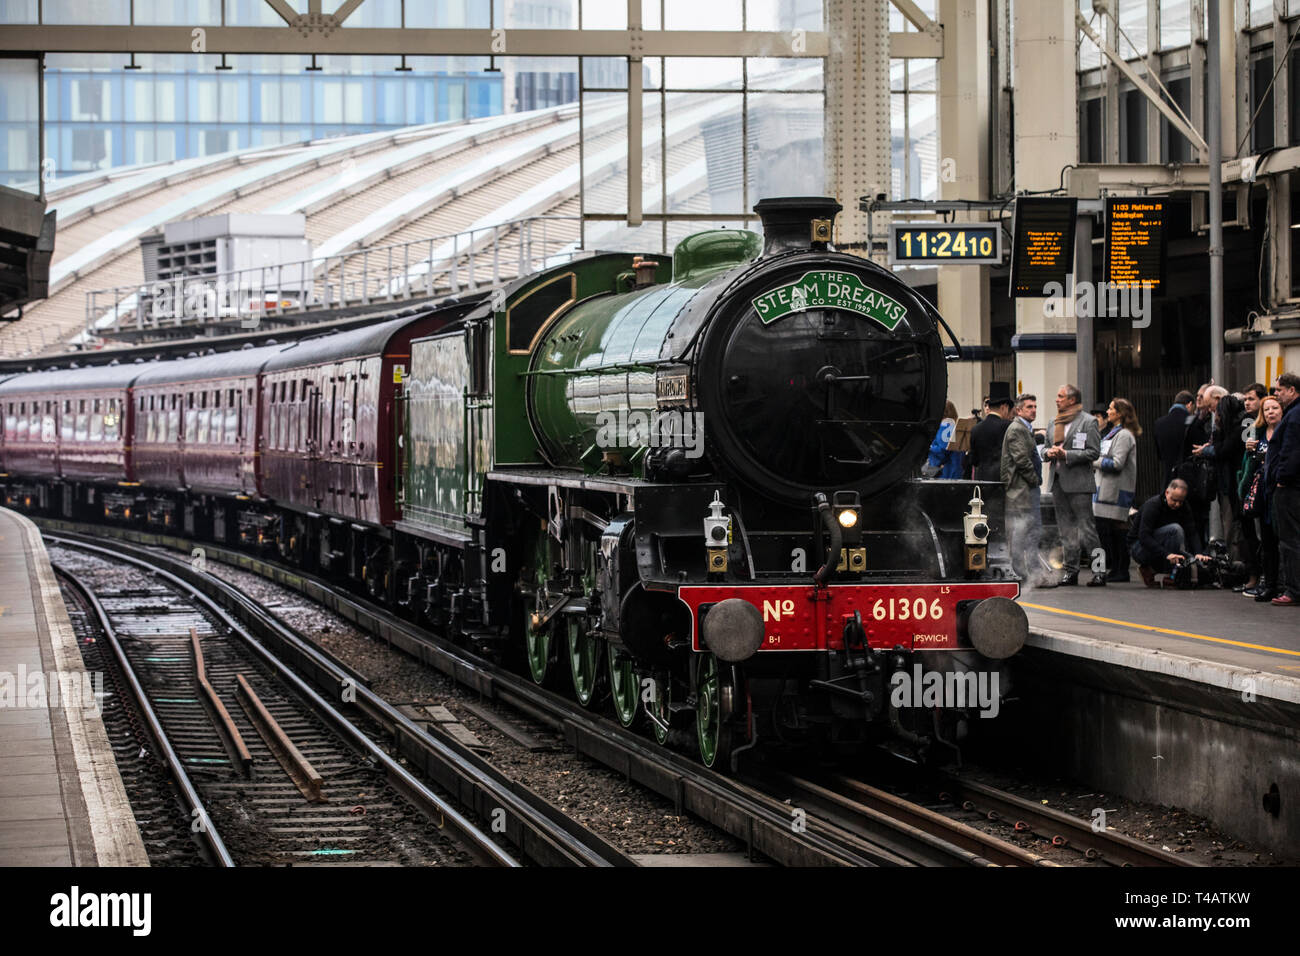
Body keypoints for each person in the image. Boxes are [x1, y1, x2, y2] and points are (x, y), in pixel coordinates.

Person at [1043, 384, 1102, 586]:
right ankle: (1071, 571)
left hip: (1079, 483)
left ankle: (1099, 570)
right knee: (1065, 530)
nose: (1057, 400)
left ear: (1072, 400)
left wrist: (1067, 455)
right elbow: (1044, 446)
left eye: (1061, 397)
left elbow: (1094, 452)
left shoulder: (1088, 421)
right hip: (1058, 481)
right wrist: (1047, 453)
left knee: (1087, 529)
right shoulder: (1053, 421)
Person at [1128, 479, 1212, 587]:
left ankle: (1150, 570)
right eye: (1174, 500)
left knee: (1187, 553)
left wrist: (1198, 553)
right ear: (1167, 493)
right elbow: (1144, 537)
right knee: (1175, 530)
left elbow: (1192, 532)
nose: (1177, 504)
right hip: (1138, 547)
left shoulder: (1185, 507)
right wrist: (1167, 554)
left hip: (1158, 543)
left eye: (1180, 501)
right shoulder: (1153, 505)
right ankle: (1171, 575)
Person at [1092, 397, 1140, 584]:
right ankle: (1114, 568)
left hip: (1113, 493)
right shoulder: (1113, 433)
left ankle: (1120, 569)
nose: (1108, 412)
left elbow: (1117, 463)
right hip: (1105, 491)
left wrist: (1094, 461)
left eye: (1111, 409)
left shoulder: (1124, 436)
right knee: (1109, 533)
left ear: (1119, 413)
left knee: (1115, 533)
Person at [1242, 395, 1284, 601]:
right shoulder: (1257, 433)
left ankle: (1285, 585)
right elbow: (1249, 466)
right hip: (1262, 493)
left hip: (1281, 491)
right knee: (1266, 541)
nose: (1270, 412)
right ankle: (1270, 585)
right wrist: (1249, 451)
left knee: (1283, 541)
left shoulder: (1287, 431)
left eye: (1274, 408)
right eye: (1266, 409)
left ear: (1282, 410)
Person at [1001, 393, 1045, 585]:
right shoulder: (1017, 429)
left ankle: (1029, 571)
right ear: (1018, 410)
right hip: (1022, 490)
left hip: (1025, 489)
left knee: (1028, 530)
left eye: (1035, 406)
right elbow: (1021, 460)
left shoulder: (1023, 428)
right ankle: (1023, 571)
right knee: (1024, 531)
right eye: (1029, 407)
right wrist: (1034, 480)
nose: (1034, 410)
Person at [1266, 372, 1300, 606]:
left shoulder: (1294, 416)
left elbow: (1290, 450)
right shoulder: (1294, 414)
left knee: (1290, 540)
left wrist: (1281, 478)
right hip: (1291, 485)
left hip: (1289, 488)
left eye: (1279, 390)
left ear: (1291, 390)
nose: (1276, 394)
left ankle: (1294, 590)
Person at [1235, 383, 1269, 591]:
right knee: (1248, 532)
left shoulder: (1269, 425)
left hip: (1262, 483)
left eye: (1251, 399)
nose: (1247, 403)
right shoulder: (1248, 423)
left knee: (1264, 534)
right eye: (1245, 399)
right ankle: (1254, 575)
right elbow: (1246, 454)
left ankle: (1264, 577)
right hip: (1247, 483)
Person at [969, 383, 1014, 482]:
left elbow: (974, 461)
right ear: (1004, 407)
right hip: (1002, 481)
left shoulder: (976, 428)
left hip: (982, 479)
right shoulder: (1008, 426)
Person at [1153, 390, 1196, 483]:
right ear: (1189, 404)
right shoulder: (1192, 422)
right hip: (1188, 478)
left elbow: (1159, 454)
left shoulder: (1159, 423)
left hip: (1168, 478)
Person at [924, 400, 966, 479]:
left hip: (945, 471)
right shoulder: (955, 425)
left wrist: (929, 447)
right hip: (955, 468)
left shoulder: (945, 426)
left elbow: (943, 450)